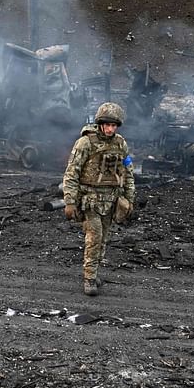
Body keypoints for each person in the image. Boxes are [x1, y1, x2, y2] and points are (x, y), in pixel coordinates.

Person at [62, 102, 135, 296]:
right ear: (101, 123)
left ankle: (94, 273)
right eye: (107, 124)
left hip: (111, 201)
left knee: (103, 240)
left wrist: (130, 199)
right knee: (93, 239)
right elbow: (71, 173)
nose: (111, 129)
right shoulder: (85, 143)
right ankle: (89, 279)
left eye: (114, 125)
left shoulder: (120, 144)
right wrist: (70, 201)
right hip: (90, 200)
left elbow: (128, 172)